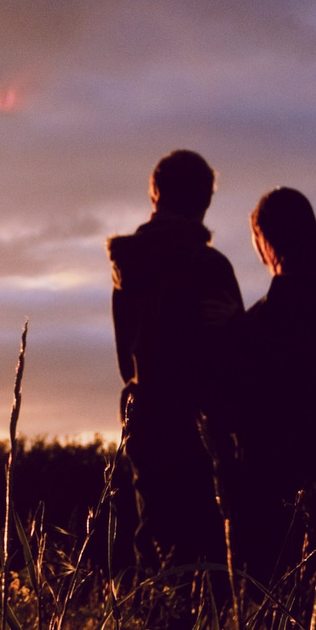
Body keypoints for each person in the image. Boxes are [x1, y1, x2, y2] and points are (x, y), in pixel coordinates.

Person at [107, 149, 243, 568]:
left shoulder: (127, 266)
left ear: (155, 196)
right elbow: (235, 357)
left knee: (157, 544)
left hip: (145, 417)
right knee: (208, 555)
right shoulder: (211, 266)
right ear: (205, 203)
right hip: (203, 424)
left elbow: (125, 352)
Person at [229, 186, 316, 583]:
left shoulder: (272, 315)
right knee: (314, 603)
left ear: (265, 239)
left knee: (268, 600)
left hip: (275, 476)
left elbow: (256, 391)